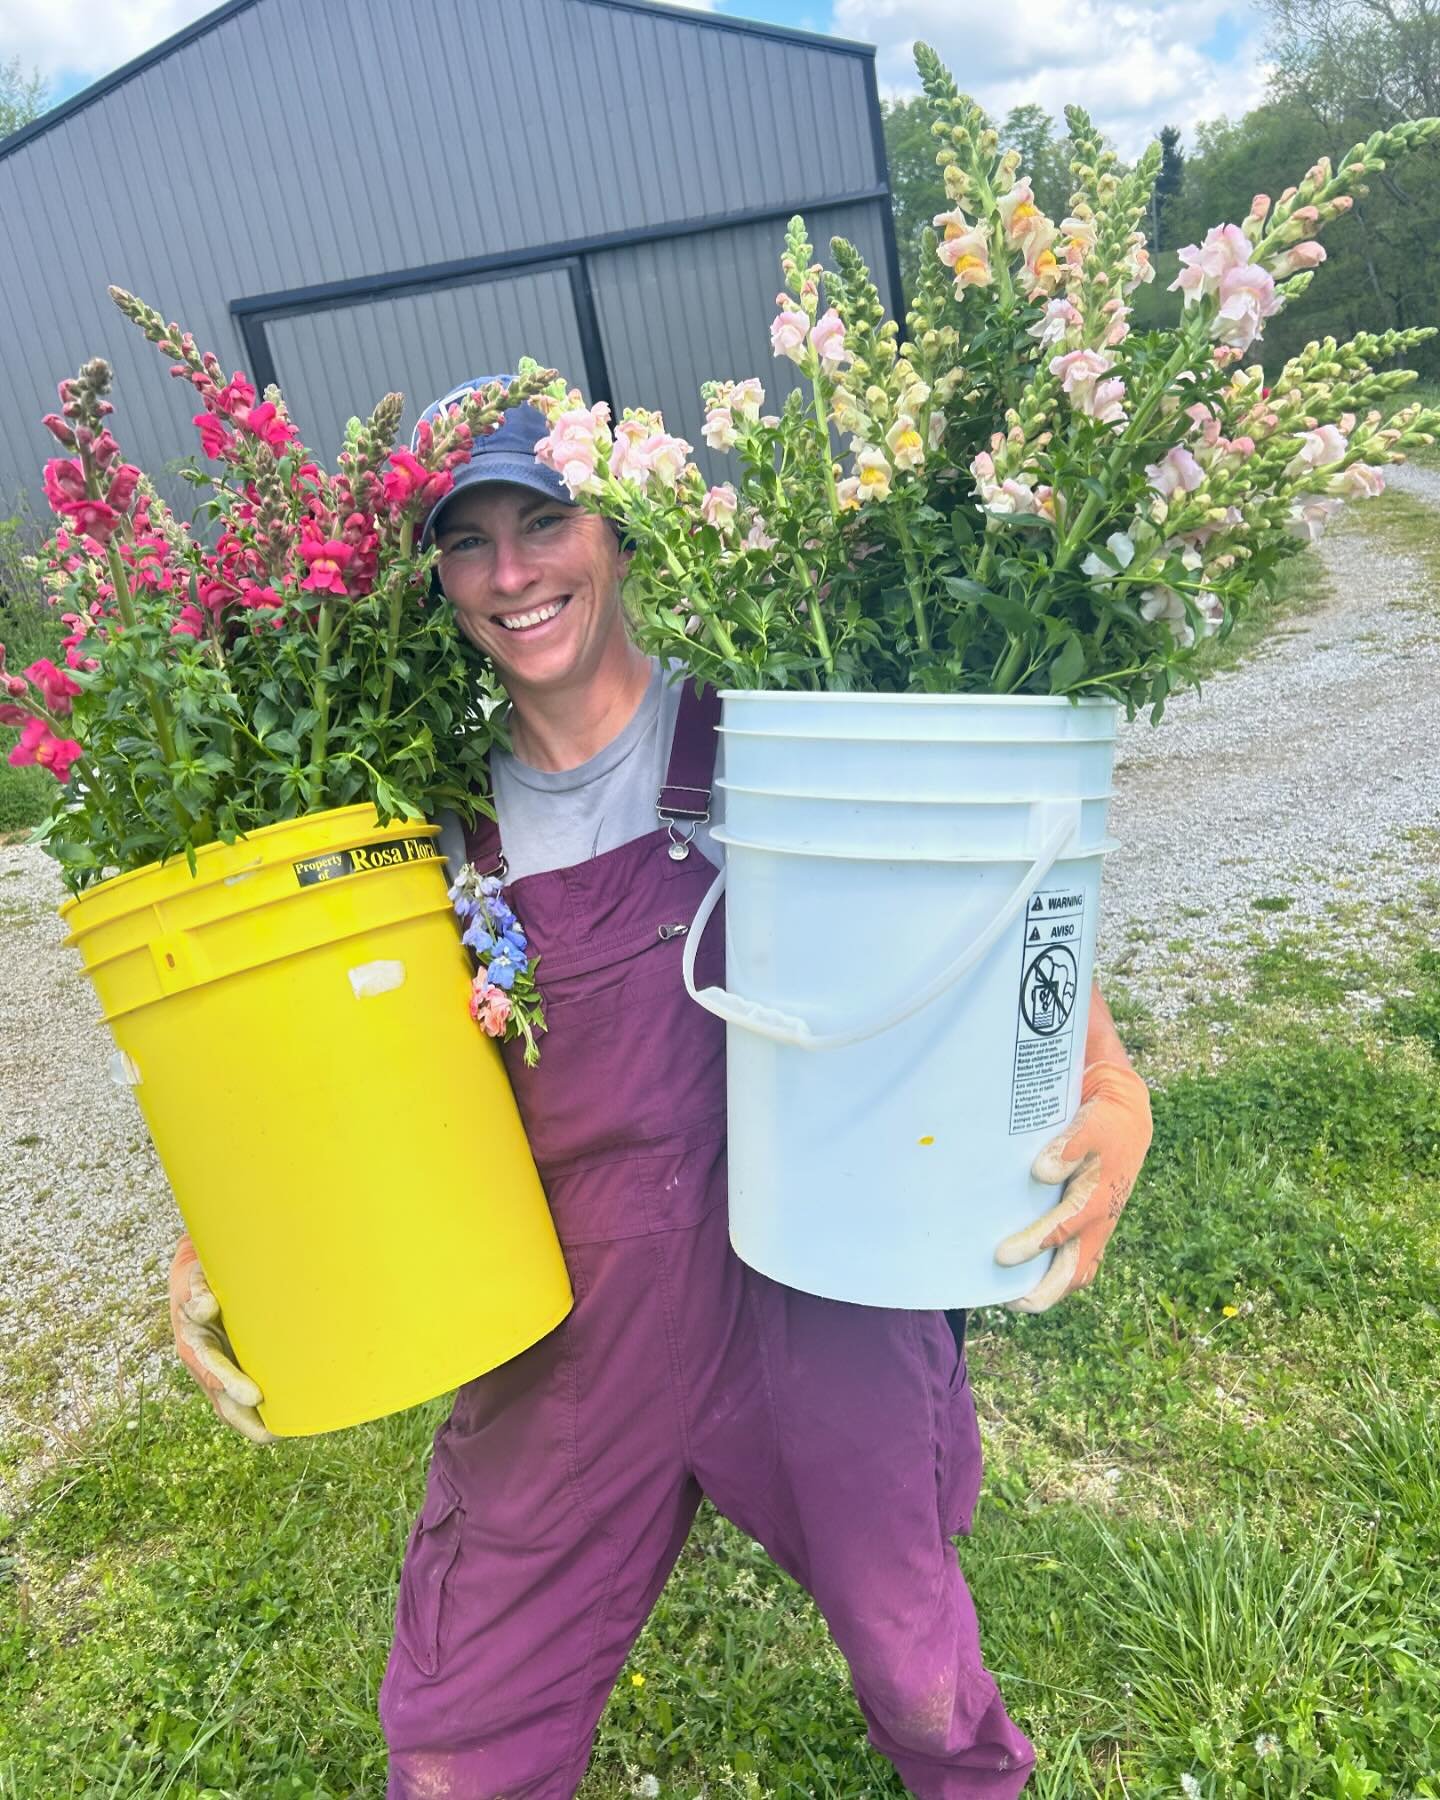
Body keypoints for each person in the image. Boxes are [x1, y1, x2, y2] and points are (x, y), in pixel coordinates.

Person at [169, 381, 1155, 1799]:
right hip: (570, 1321)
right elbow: (320, 1073)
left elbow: (986, 940)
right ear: (434, 580)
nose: (513, 574)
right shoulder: (416, 824)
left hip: (816, 1288)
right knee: (460, 1737)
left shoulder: (774, 732)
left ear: (619, 535)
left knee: (918, 1670)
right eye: (468, 543)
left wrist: (1109, 1088)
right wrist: (244, 1226)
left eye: (545, 519)